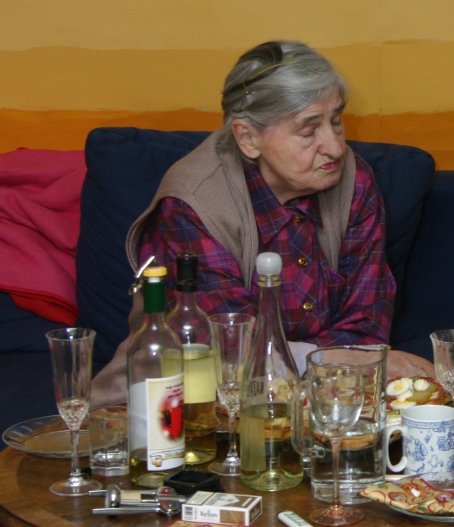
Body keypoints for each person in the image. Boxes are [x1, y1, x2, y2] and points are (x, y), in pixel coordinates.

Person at [92, 40, 432, 405]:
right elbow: (229, 349)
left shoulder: (353, 181)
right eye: (308, 131)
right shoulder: (192, 204)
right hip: (179, 407)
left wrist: (334, 367)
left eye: (336, 121)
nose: (335, 147)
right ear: (247, 138)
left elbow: (366, 326)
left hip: (322, 399)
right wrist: (339, 360)